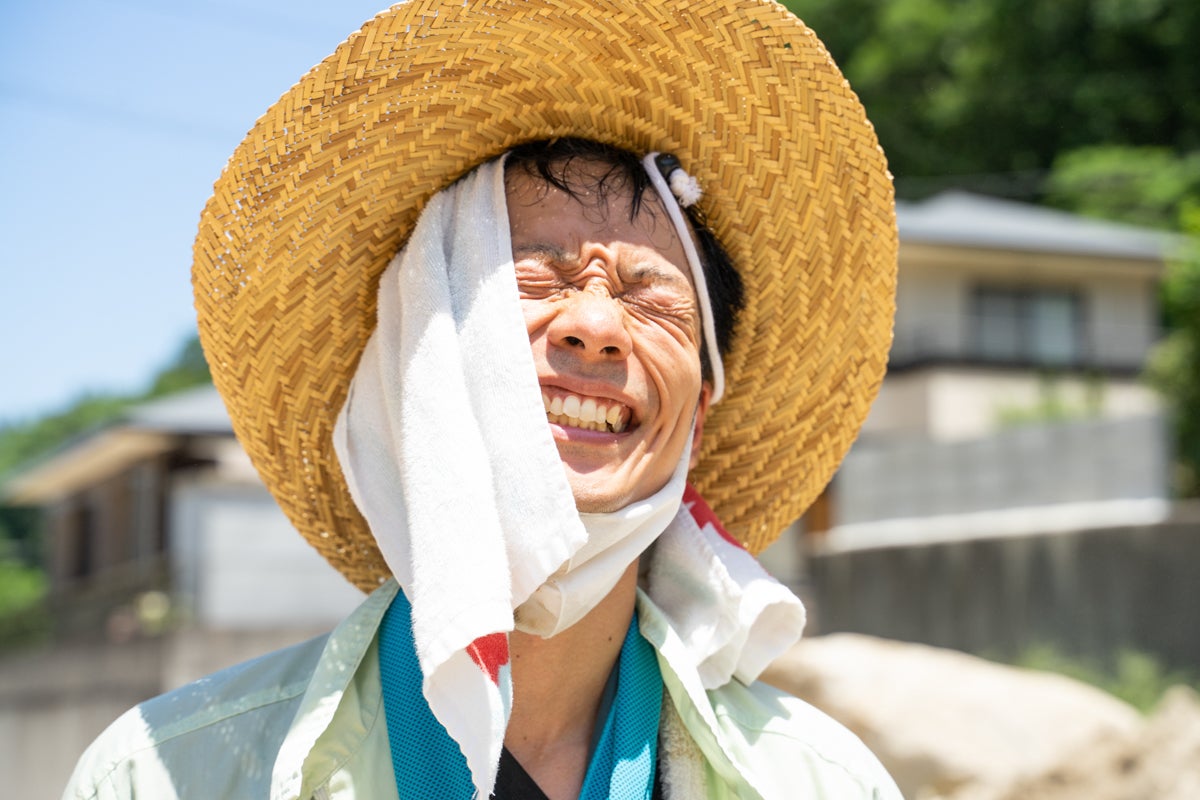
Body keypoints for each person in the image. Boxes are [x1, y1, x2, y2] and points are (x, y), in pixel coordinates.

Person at [64, 0, 901, 798]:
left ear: (699, 412)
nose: (596, 327)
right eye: (536, 277)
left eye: (652, 301)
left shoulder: (822, 785)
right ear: (418, 357)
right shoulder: (163, 777)